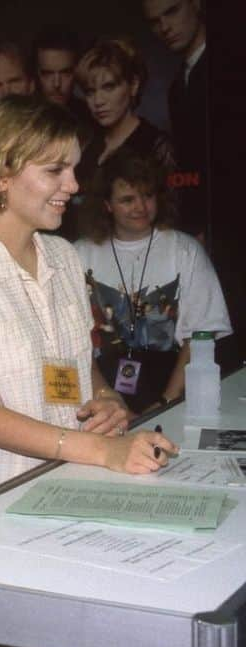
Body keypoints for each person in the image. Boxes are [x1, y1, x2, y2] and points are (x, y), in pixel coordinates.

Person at [0, 96, 177, 509]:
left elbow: (74, 361)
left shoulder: (63, 256)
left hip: (69, 484)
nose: (74, 186)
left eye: (73, 169)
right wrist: (103, 451)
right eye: (55, 171)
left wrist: (106, 396)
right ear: (0, 175)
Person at [74, 150, 231, 414]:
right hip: (100, 393)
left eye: (148, 196)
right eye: (127, 199)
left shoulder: (184, 250)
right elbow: (69, 344)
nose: (141, 208)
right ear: (107, 205)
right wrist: (107, 402)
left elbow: (201, 337)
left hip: (168, 387)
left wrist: (165, 404)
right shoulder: (79, 253)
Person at [141, 0, 208, 238]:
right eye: (154, 22)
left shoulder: (229, 67)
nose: (165, 27)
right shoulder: (177, 87)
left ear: (196, 4)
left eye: (172, 11)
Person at [74, 38, 176, 190]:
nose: (98, 101)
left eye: (109, 87)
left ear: (133, 85)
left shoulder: (156, 146)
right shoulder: (85, 144)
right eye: (90, 92)